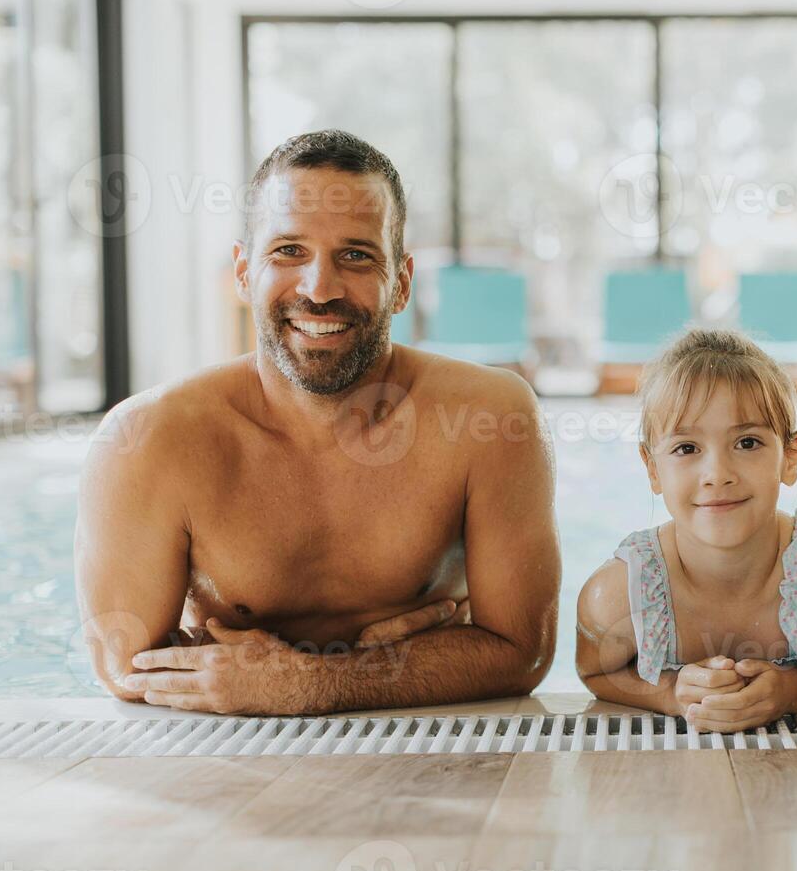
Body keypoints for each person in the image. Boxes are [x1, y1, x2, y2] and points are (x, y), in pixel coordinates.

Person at [75, 129, 560, 714]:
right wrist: (409, 667)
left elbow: (522, 653)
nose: (320, 289)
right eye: (288, 251)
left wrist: (309, 683)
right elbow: (126, 666)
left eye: (355, 255)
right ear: (243, 272)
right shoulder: (150, 438)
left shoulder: (490, 416)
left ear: (401, 283)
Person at [576, 329, 797, 732]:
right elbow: (596, 673)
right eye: (687, 448)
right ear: (653, 468)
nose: (717, 475)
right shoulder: (619, 597)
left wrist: (791, 692)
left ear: (790, 457)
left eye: (748, 442)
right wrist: (669, 694)